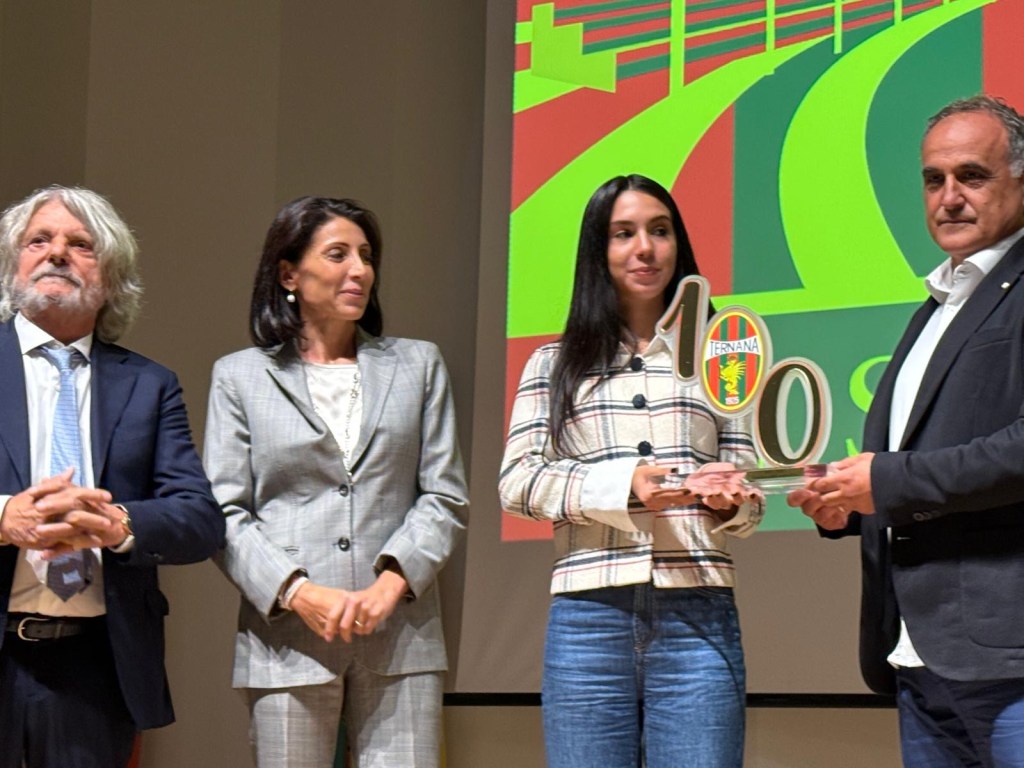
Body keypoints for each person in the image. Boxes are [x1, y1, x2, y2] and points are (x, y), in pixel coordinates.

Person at [788, 95, 1024, 767]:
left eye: (971, 176)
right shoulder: (937, 304)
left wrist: (885, 480)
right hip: (918, 659)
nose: (948, 197)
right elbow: (918, 470)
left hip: (1009, 659)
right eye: (933, 179)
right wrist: (846, 502)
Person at [499, 174, 762, 768]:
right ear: (599, 251)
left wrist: (731, 500)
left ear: (679, 246)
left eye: (660, 231)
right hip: (588, 617)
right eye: (623, 234)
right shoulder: (554, 362)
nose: (644, 248)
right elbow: (516, 480)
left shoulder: (726, 356)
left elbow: (751, 482)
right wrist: (623, 487)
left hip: (699, 609)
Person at [205, 196, 468, 768]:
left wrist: (389, 586)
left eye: (367, 256)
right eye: (338, 254)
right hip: (286, 637)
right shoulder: (240, 376)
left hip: (401, 633)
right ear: (288, 274)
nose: (360, 270)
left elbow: (444, 496)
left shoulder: (418, 364)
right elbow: (225, 512)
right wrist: (299, 593)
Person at [0, 185, 224, 767]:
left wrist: (117, 524)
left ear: (112, 278)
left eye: (81, 245)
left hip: (95, 670)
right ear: (13, 263)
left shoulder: (149, 386)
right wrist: (5, 517)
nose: (56, 254)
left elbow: (199, 520)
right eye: (39, 241)